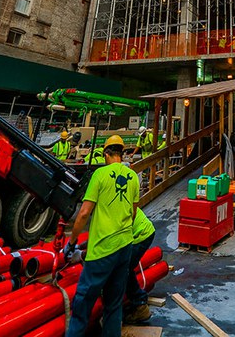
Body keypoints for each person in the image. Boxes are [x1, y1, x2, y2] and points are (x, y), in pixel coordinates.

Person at [64, 134, 139, 337]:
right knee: (114, 305)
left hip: (103, 249)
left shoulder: (100, 174)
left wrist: (72, 244)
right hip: (125, 246)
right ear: (121, 154)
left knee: (82, 302)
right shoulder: (133, 176)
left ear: (106, 154)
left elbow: (84, 213)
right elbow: (132, 213)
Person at [123, 208, 156, 325]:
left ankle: (140, 305)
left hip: (140, 234)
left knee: (122, 269)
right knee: (125, 268)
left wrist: (81, 254)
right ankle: (138, 302)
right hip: (141, 229)